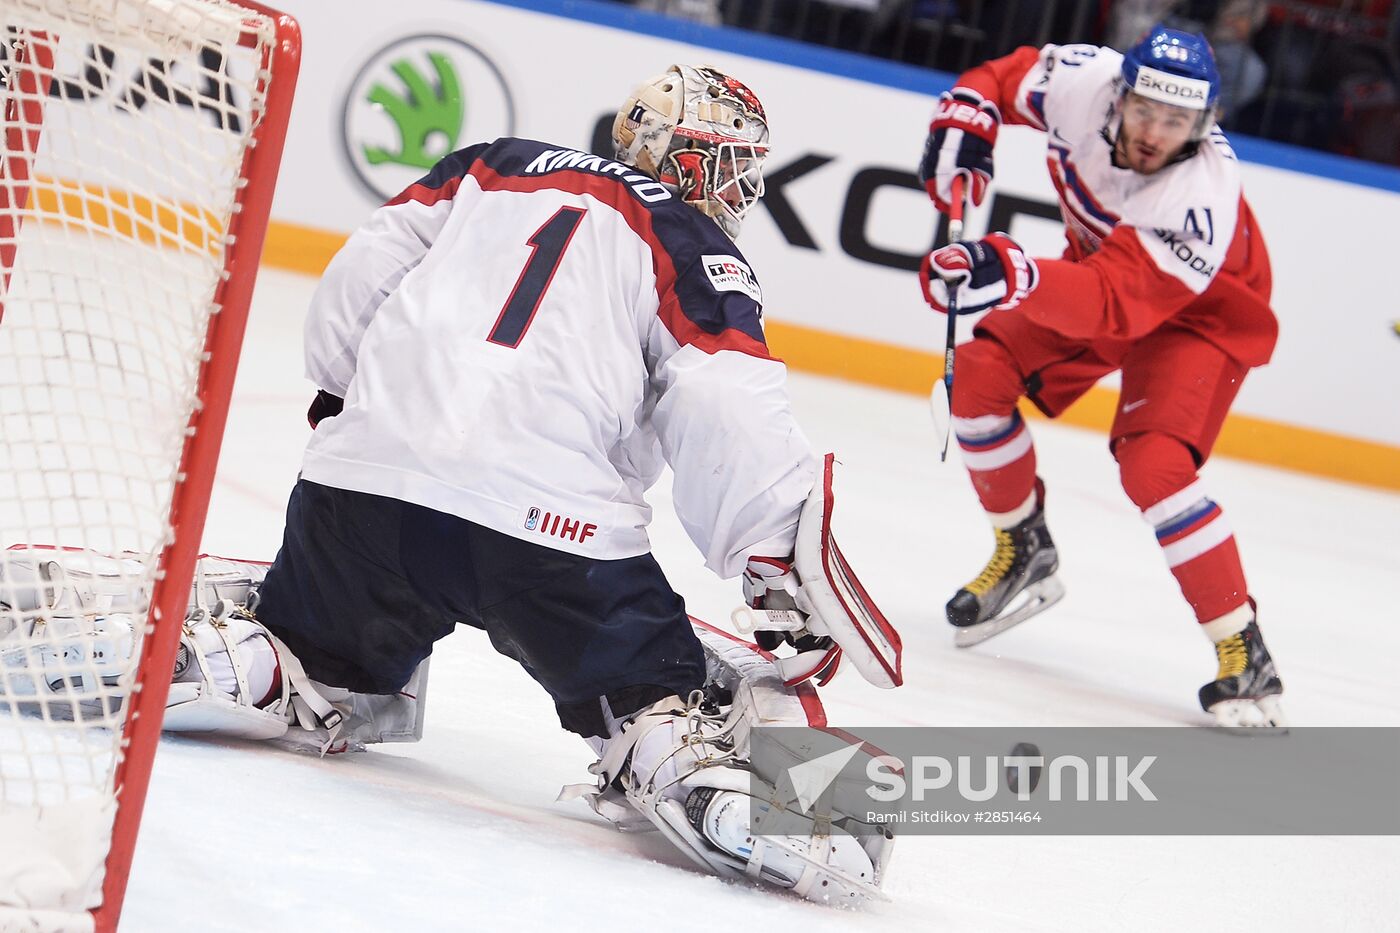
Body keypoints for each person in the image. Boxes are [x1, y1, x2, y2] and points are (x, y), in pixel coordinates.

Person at [0, 65, 903, 900]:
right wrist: (772, 559)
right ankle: (679, 761)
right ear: (696, 158)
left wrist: (349, 406)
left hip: (363, 499)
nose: (743, 191)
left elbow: (359, 276)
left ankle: (220, 660)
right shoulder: (691, 239)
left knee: (318, 655)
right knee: (651, 690)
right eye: (738, 168)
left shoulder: (487, 164)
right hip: (553, 542)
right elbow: (724, 402)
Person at [915, 27, 1285, 727]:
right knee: (978, 379)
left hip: (1200, 314)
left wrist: (1011, 272)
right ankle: (1021, 544)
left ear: (1205, 126)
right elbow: (1001, 76)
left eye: (1177, 122)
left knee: (1155, 465)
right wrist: (966, 121)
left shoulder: (1199, 195)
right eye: (1145, 110)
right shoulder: (1082, 82)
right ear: (1119, 95)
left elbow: (1114, 304)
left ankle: (1243, 646)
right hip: (1104, 272)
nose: (1154, 133)